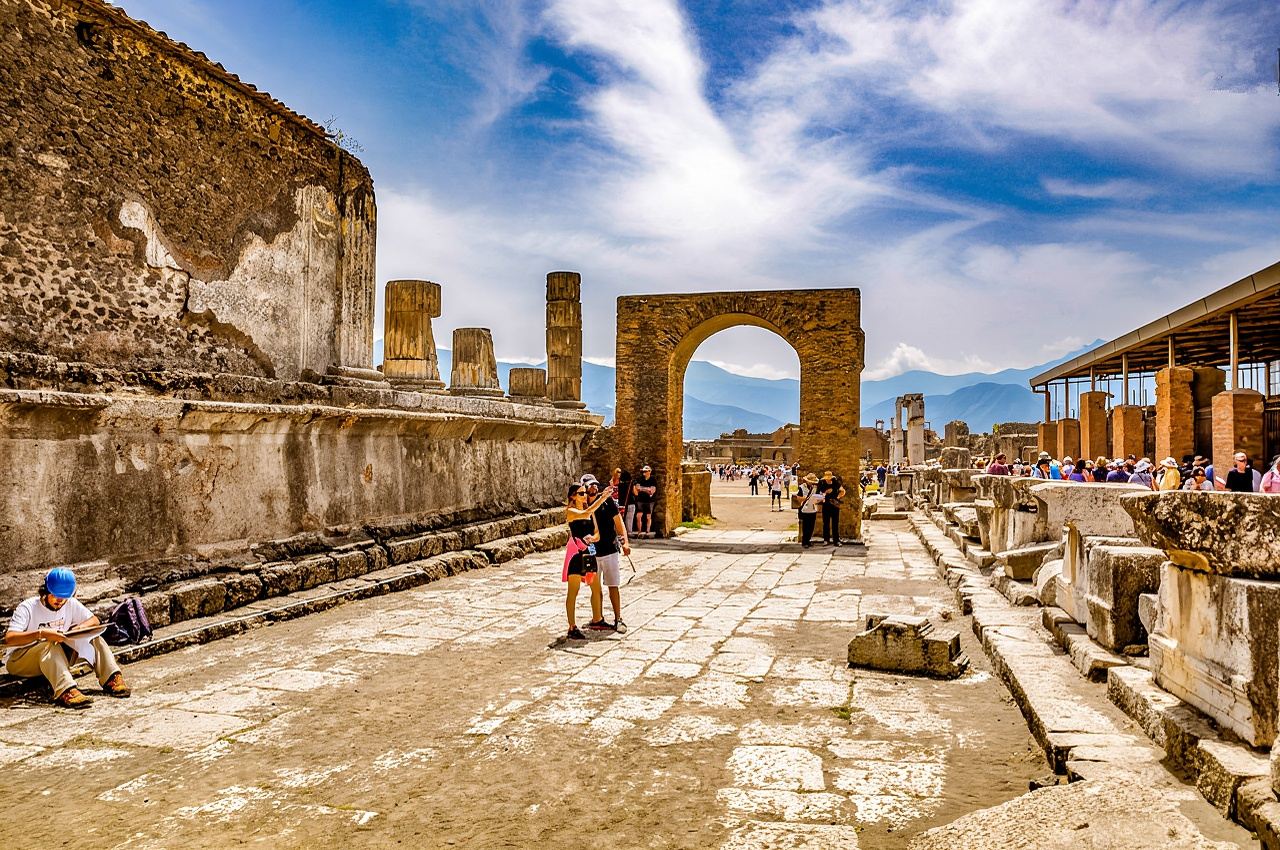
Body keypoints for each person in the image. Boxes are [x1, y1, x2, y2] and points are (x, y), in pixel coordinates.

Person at [3, 567, 131, 709]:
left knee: (93, 637)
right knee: (49, 645)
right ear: (45, 591)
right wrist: (42, 634)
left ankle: (111, 678)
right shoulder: (27, 607)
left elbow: (94, 620)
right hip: (20, 660)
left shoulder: (69, 603)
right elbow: (10, 639)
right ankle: (66, 690)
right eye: (55, 596)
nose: (60, 601)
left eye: (64, 597)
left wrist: (78, 629)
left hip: (55, 657)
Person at [562, 482, 613, 640]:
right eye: (581, 493)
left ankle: (597, 619)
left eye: (585, 493)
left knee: (596, 588)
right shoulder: (571, 511)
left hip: (589, 553)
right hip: (576, 555)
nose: (584, 496)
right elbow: (586, 512)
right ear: (573, 496)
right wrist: (602, 498)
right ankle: (572, 627)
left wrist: (593, 538)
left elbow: (597, 532)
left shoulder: (590, 512)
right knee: (573, 591)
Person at [580, 474, 630, 633]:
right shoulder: (581, 506)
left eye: (595, 485)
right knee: (595, 589)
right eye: (589, 486)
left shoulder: (606, 501)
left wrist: (625, 542)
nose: (593, 488)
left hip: (609, 549)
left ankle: (618, 619)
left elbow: (618, 522)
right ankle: (597, 618)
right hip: (591, 553)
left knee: (613, 585)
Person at [819, 471, 845, 546]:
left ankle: (836, 540)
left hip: (834, 505)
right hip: (826, 504)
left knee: (835, 523)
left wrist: (838, 497)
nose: (828, 480)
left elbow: (842, 491)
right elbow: (819, 493)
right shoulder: (822, 483)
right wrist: (825, 493)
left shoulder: (835, 482)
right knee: (826, 523)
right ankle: (826, 539)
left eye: (829, 478)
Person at [796, 473, 821, 548]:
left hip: (812, 508)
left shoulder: (815, 488)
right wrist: (805, 498)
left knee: (811, 526)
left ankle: (808, 540)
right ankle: (805, 541)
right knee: (805, 526)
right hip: (805, 509)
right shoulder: (802, 487)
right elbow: (798, 497)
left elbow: (818, 497)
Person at [632, 465, 658, 537]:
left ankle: (647, 531)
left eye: (645, 471)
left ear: (649, 472)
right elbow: (637, 488)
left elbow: (652, 491)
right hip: (640, 499)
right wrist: (647, 489)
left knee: (648, 516)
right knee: (638, 516)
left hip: (649, 501)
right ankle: (639, 531)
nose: (644, 473)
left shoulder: (653, 479)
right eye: (643, 471)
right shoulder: (640, 479)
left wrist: (642, 489)